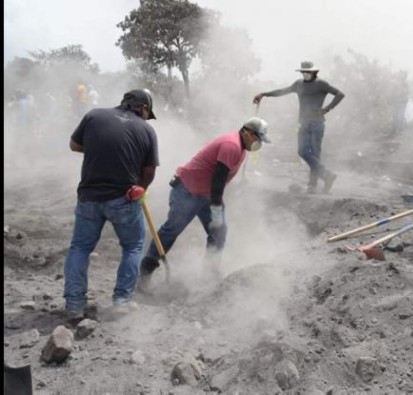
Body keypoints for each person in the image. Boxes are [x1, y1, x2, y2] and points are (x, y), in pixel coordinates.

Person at [137, 117, 271, 288]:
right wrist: (216, 208)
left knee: (219, 231)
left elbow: (219, 181)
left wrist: (220, 202)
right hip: (187, 190)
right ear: (247, 132)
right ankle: (144, 273)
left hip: (206, 194)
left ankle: (209, 275)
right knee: (171, 230)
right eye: (258, 138)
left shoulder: (241, 148)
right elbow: (217, 180)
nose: (259, 143)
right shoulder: (232, 145)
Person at [62, 89, 159, 321]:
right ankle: (122, 301)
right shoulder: (146, 130)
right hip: (124, 198)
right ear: (143, 108)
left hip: (89, 196)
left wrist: (101, 148)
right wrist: (142, 190)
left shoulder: (94, 115)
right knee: (133, 246)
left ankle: (74, 305)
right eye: (148, 113)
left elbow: (74, 145)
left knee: (80, 248)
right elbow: (149, 171)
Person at [253, 61, 345, 194]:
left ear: (314, 72)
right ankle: (327, 176)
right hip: (303, 122)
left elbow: (340, 94)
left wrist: (327, 109)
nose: (305, 74)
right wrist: (264, 94)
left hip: (317, 122)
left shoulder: (321, 84)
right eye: (303, 72)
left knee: (315, 152)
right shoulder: (298, 84)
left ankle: (312, 185)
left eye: (308, 72)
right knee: (302, 151)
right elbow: (282, 91)